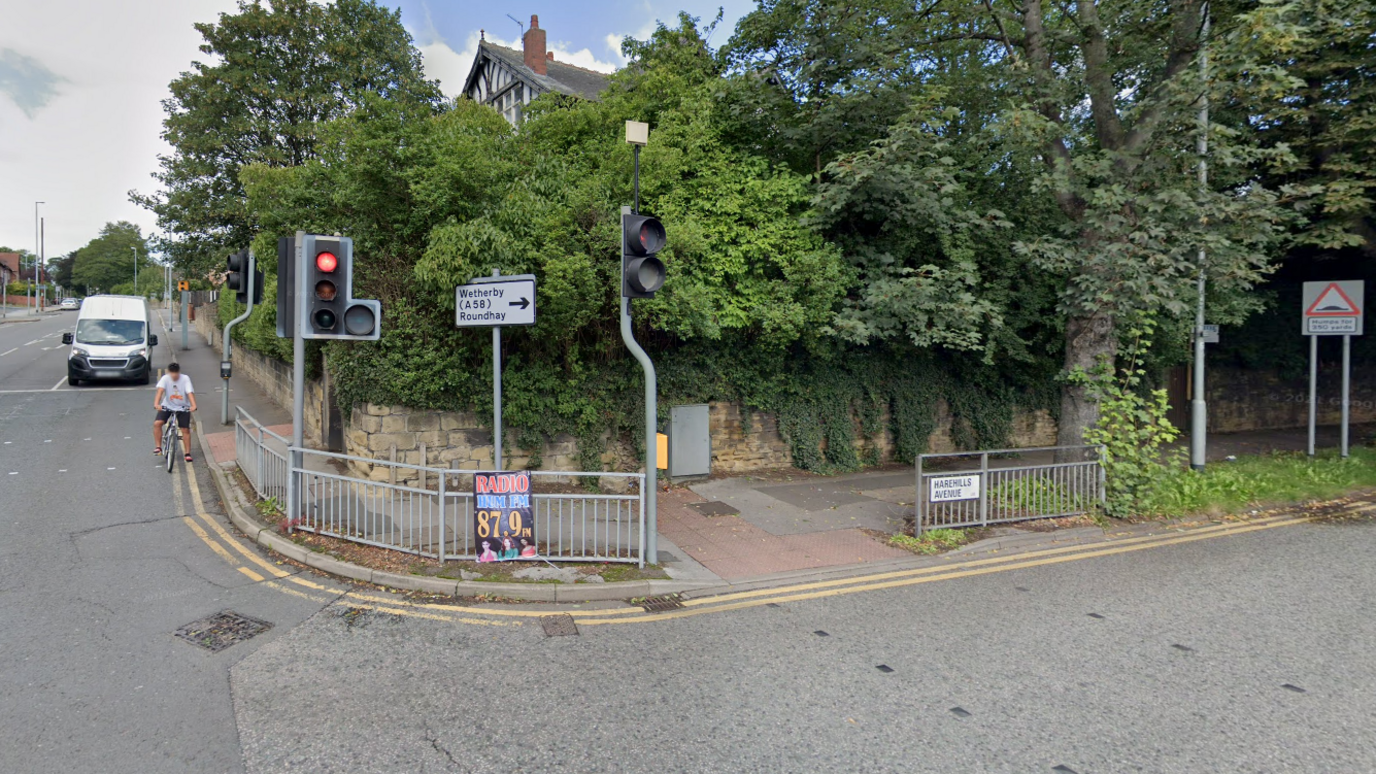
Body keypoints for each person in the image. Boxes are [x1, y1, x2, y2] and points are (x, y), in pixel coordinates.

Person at [153, 362, 197, 462]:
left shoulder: (185, 379)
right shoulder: (165, 378)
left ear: (179, 372)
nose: (174, 375)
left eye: (176, 373)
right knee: (157, 423)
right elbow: (160, 391)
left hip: (182, 407)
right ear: (169, 372)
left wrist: (193, 405)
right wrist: (156, 404)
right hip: (167, 406)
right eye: (172, 373)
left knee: (185, 429)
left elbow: (189, 393)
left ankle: (187, 453)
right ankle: (158, 447)